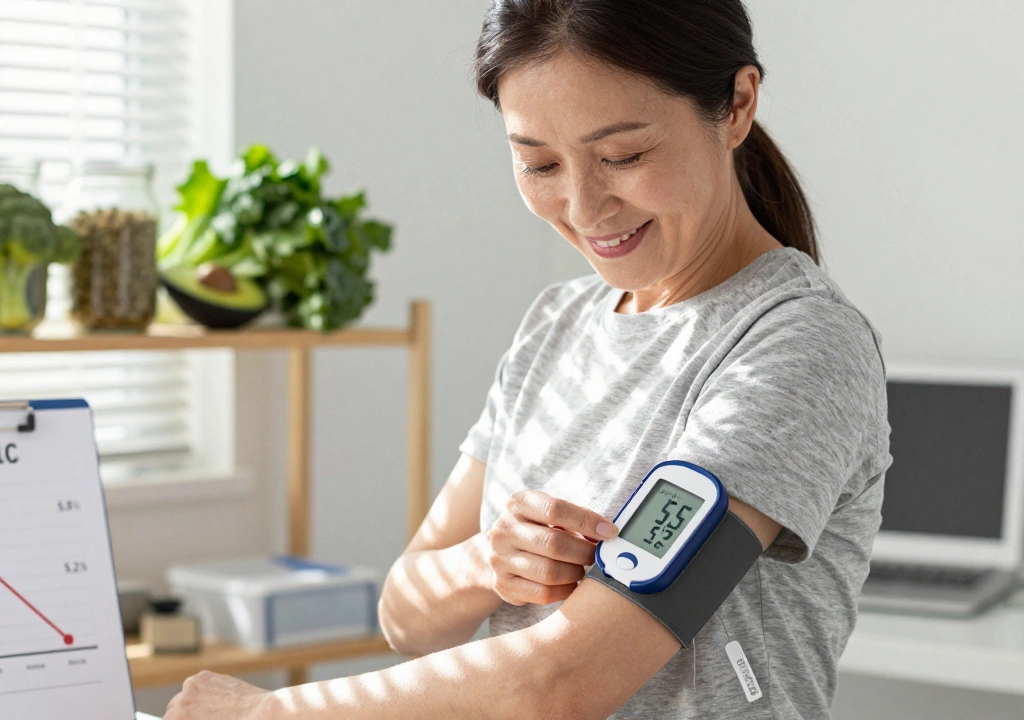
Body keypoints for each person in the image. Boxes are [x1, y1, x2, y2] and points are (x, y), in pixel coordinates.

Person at [164, 0, 890, 717]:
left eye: (622, 156)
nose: (583, 206)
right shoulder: (558, 323)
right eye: (538, 163)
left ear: (736, 105)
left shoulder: (796, 344)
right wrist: (488, 563)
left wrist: (268, 714)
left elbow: (565, 682)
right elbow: (407, 616)